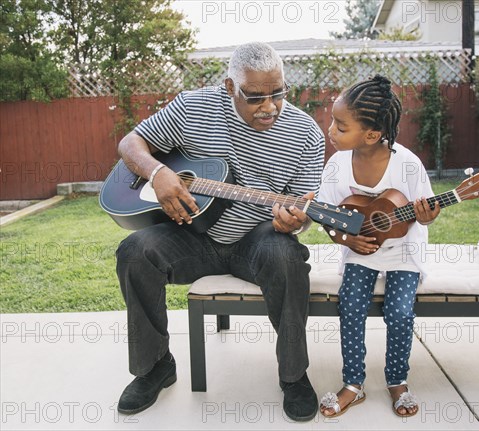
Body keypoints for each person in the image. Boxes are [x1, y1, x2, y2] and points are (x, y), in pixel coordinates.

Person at [115, 42, 324, 422]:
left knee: (288, 257)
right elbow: (131, 143)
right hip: (193, 234)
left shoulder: (306, 134)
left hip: (257, 238)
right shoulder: (193, 106)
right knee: (135, 252)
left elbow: (305, 212)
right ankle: (154, 367)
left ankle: (294, 376)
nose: (270, 107)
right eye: (256, 97)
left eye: (278, 93)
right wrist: (158, 172)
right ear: (230, 87)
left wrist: (296, 222)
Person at [317, 75, 440, 418]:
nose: (331, 129)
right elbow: (327, 217)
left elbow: (426, 212)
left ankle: (397, 381)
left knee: (399, 313)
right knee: (350, 306)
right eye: (332, 122)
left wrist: (427, 216)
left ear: (371, 134)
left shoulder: (408, 164)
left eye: (340, 126)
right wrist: (347, 238)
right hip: (361, 252)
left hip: (403, 253)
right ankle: (353, 384)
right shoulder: (337, 165)